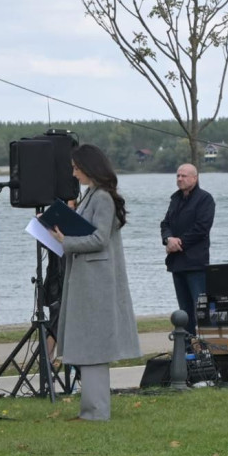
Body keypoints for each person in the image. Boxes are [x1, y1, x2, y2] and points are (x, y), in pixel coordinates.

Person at [50, 144, 140, 421]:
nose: (74, 174)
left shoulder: (102, 198)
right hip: (86, 278)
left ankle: (96, 411)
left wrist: (66, 241)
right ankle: (90, 409)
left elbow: (99, 239)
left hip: (97, 282)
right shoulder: (91, 195)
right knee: (88, 344)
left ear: (90, 167)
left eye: (77, 168)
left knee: (95, 345)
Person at [159, 164, 215, 335]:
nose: (180, 179)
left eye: (184, 176)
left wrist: (179, 243)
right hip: (177, 263)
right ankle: (187, 348)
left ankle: (206, 347)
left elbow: (202, 228)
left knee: (201, 309)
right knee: (184, 311)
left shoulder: (205, 199)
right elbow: (165, 224)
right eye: (178, 176)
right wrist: (168, 239)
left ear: (195, 178)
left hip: (196, 263)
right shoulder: (175, 199)